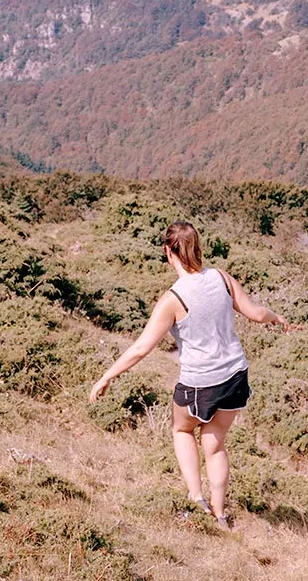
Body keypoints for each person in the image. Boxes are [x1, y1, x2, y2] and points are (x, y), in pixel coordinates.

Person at [89, 221, 287, 528]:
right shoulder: (222, 277)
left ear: (168, 252)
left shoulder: (173, 299)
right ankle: (220, 516)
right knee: (215, 444)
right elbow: (257, 314)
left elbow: (142, 348)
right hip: (235, 374)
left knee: (182, 431)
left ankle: (196, 498)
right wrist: (277, 318)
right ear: (198, 247)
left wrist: (107, 377)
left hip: (201, 382)